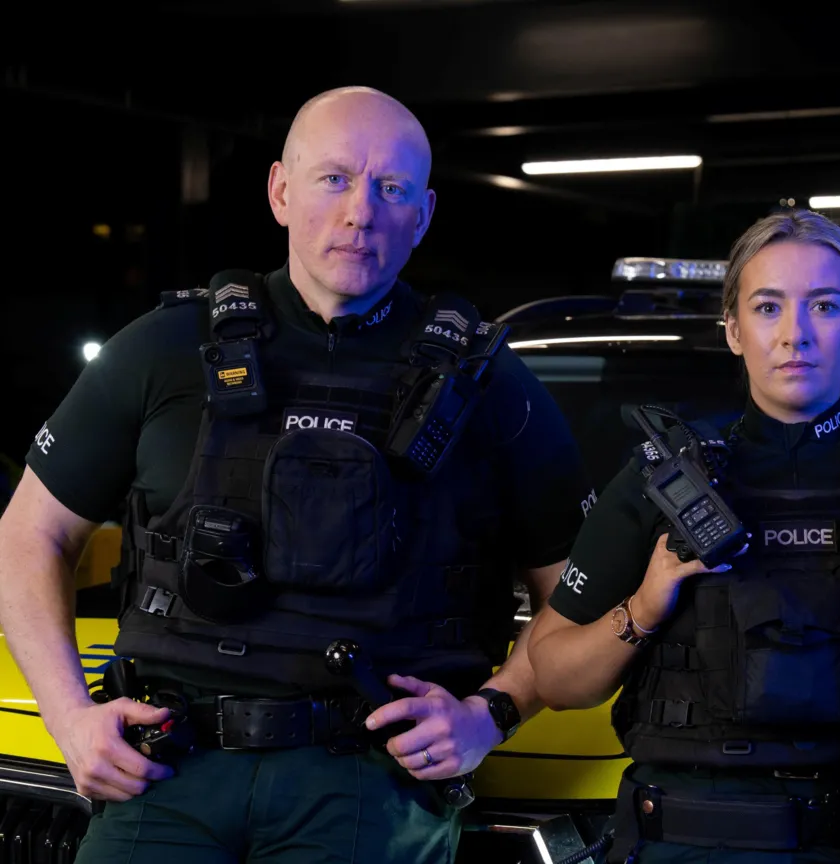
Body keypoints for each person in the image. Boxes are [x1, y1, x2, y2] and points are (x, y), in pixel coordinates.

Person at [0, 86, 595, 863]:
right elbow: (31, 531)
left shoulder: (489, 386)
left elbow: (582, 599)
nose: (360, 212)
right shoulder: (162, 350)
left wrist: (492, 713)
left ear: (422, 214)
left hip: (369, 792)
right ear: (281, 190)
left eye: (391, 189)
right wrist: (70, 717)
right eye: (334, 178)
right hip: (166, 774)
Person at [525, 209, 840, 863]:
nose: (795, 335)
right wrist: (645, 607)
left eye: (822, 306)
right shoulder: (662, 481)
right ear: (735, 330)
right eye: (768, 308)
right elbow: (557, 677)